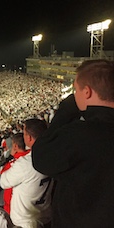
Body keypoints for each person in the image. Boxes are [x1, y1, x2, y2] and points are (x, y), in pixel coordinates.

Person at [33, 59, 114, 228]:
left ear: (87, 92)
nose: (74, 95)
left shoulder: (80, 133)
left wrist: (66, 110)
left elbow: (40, 157)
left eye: (75, 90)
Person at [0, 119, 52, 227]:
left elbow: (3, 181)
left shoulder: (25, 163)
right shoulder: (54, 155)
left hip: (25, 222)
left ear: (29, 137)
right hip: (46, 217)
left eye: (24, 133)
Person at [0, 133, 27, 214]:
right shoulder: (30, 156)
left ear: (15, 146)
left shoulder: (14, 163)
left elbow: (2, 172)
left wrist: (10, 156)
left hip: (13, 207)